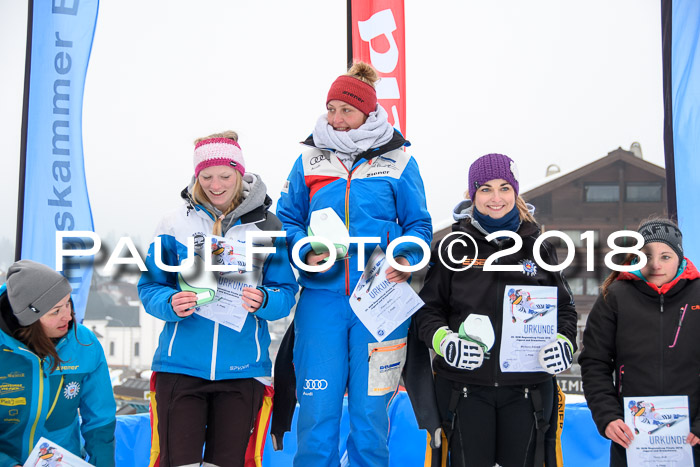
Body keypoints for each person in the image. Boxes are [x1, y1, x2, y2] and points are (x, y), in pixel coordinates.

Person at [275, 62, 432, 466]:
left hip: (381, 301)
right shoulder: (309, 160)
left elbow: (418, 224)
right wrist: (303, 248)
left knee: (370, 414)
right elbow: (287, 219)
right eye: (331, 109)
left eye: (346, 110)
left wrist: (407, 258)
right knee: (316, 413)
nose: (337, 119)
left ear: (367, 112)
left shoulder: (398, 161)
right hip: (322, 301)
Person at [138, 131, 298, 467]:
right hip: (180, 368)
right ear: (196, 177)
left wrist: (264, 300)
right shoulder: (174, 223)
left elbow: (285, 293)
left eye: (225, 176)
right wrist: (171, 303)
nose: (215, 185)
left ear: (239, 174)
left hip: (242, 372)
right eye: (206, 176)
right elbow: (150, 287)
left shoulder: (269, 227)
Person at [413, 153, 578, 467]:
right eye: (485, 188)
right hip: (464, 390)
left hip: (528, 391)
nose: (496, 197)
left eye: (504, 187)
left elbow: (565, 310)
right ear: (472, 195)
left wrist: (565, 343)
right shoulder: (453, 246)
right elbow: (427, 311)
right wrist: (444, 342)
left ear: (515, 192)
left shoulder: (540, 246)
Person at [579, 218, 700, 466]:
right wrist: (608, 417)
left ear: (680, 258)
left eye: (665, 256)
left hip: (693, 438)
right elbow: (595, 363)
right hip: (634, 439)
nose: (655, 264)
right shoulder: (614, 296)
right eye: (647, 255)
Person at [0, 260, 116, 466]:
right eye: (55, 311)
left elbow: (100, 421)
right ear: (30, 318)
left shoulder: (85, 344)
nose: (67, 317)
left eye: (68, 303)